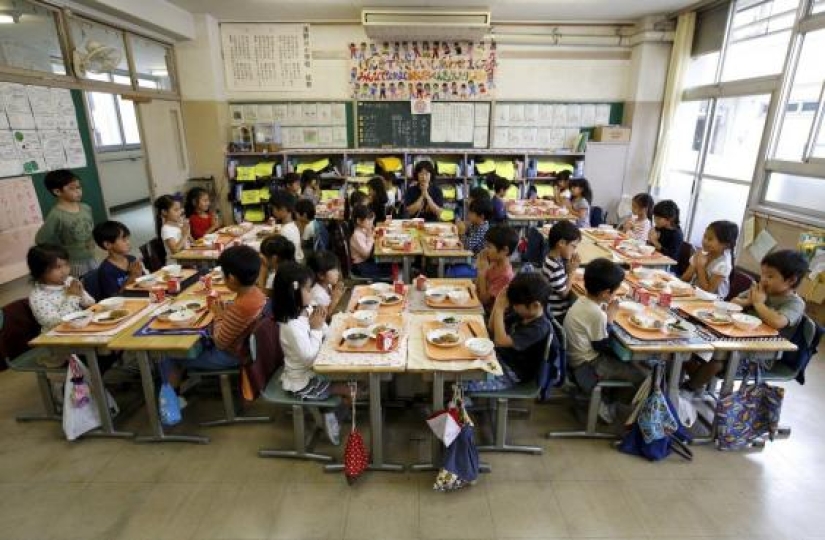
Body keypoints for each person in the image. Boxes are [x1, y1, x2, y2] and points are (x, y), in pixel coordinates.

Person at [683, 250, 809, 393]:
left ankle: (689, 388)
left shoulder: (795, 303)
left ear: (791, 280)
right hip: (737, 340)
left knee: (717, 362)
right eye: (763, 274)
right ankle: (695, 381)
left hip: (759, 354)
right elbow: (734, 302)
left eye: (770, 276)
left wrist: (758, 304)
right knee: (691, 343)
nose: (763, 279)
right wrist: (748, 300)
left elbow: (778, 322)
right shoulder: (760, 290)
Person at [164, 246, 266, 394]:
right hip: (248, 350)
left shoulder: (242, 305)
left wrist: (218, 315)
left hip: (232, 356)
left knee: (169, 356)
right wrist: (225, 311)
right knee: (194, 339)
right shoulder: (256, 293)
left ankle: (172, 402)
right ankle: (186, 380)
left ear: (231, 278)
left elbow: (220, 343)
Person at [564, 258, 647, 422]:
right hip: (587, 365)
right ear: (605, 293)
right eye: (615, 291)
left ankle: (604, 399)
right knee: (642, 376)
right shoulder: (597, 314)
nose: (615, 295)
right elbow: (601, 346)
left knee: (629, 363)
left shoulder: (582, 300)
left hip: (573, 357)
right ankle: (606, 408)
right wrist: (609, 319)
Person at [272, 262, 343, 445]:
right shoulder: (291, 326)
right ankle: (327, 414)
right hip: (302, 381)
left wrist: (324, 328)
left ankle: (329, 412)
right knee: (353, 389)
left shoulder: (306, 308)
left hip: (316, 369)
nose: (312, 295)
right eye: (308, 290)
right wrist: (317, 329)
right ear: (293, 292)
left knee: (353, 383)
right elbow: (310, 357)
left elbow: (324, 331)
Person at [464, 273, 553, 391]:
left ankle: (462, 404)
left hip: (511, 374)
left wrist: (501, 309)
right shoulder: (523, 314)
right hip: (499, 359)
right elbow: (492, 329)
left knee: (463, 384)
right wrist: (497, 303)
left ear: (535, 305)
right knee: (463, 363)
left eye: (516, 305)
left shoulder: (538, 328)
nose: (514, 307)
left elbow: (500, 341)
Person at [35, 169, 96, 277]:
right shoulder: (56, 215)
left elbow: (89, 228)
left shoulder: (86, 208)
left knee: (96, 281)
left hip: (91, 256)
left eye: (79, 187)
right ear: (57, 192)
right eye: (72, 188)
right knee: (81, 287)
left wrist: (91, 241)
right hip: (74, 262)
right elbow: (40, 239)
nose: (78, 191)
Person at [27, 244, 96, 332]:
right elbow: (54, 322)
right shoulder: (38, 296)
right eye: (58, 267)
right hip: (57, 337)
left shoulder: (68, 281)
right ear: (40, 270)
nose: (64, 270)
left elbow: (90, 303)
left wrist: (81, 292)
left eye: (66, 264)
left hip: (78, 328)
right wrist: (73, 296)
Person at [681, 220, 738, 299]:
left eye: (710, 239)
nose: (705, 241)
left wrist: (700, 266)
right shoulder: (703, 253)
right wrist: (694, 265)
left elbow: (708, 291)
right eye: (705, 236)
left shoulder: (724, 264)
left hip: (712, 302)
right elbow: (685, 278)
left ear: (725, 244)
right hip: (694, 295)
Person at [92, 221, 144, 299]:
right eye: (123, 240)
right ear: (107, 245)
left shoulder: (131, 259)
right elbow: (115, 299)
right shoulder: (106, 270)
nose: (128, 242)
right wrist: (132, 276)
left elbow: (143, 282)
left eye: (127, 239)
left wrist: (140, 274)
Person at [542, 220, 582, 321]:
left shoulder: (552, 257)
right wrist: (572, 272)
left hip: (550, 309)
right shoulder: (555, 266)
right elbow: (564, 293)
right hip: (557, 314)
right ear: (561, 243)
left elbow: (558, 279)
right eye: (573, 246)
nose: (574, 250)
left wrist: (568, 270)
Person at [476, 225, 518, 310]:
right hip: (478, 303)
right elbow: (478, 286)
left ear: (505, 250)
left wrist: (481, 272)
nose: (486, 250)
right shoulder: (494, 262)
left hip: (488, 315)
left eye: (489, 247)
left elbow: (484, 301)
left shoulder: (505, 276)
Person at [349, 205, 390, 279]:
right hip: (360, 266)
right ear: (358, 221)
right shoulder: (357, 235)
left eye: (372, 220)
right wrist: (370, 237)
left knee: (389, 265)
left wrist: (372, 234)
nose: (371, 223)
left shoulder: (363, 230)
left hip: (366, 262)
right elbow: (367, 254)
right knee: (388, 269)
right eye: (369, 220)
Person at [269, 191, 304, 263]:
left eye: (273, 208)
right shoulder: (293, 225)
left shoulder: (286, 231)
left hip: (290, 266)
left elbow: (280, 259)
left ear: (283, 209)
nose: (273, 211)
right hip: (297, 261)